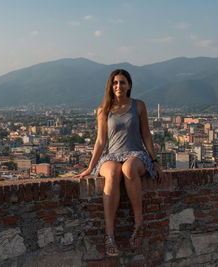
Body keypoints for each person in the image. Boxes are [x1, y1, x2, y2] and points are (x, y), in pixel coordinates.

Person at [74, 69, 164, 256]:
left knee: (128, 169)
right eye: (115, 83)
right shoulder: (103, 109)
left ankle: (138, 224)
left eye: (122, 82)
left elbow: (146, 135)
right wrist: (90, 167)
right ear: (110, 86)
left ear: (129, 85)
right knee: (113, 174)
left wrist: (154, 161)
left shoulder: (139, 106)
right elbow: (100, 141)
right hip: (111, 156)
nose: (118, 86)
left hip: (136, 154)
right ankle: (109, 235)